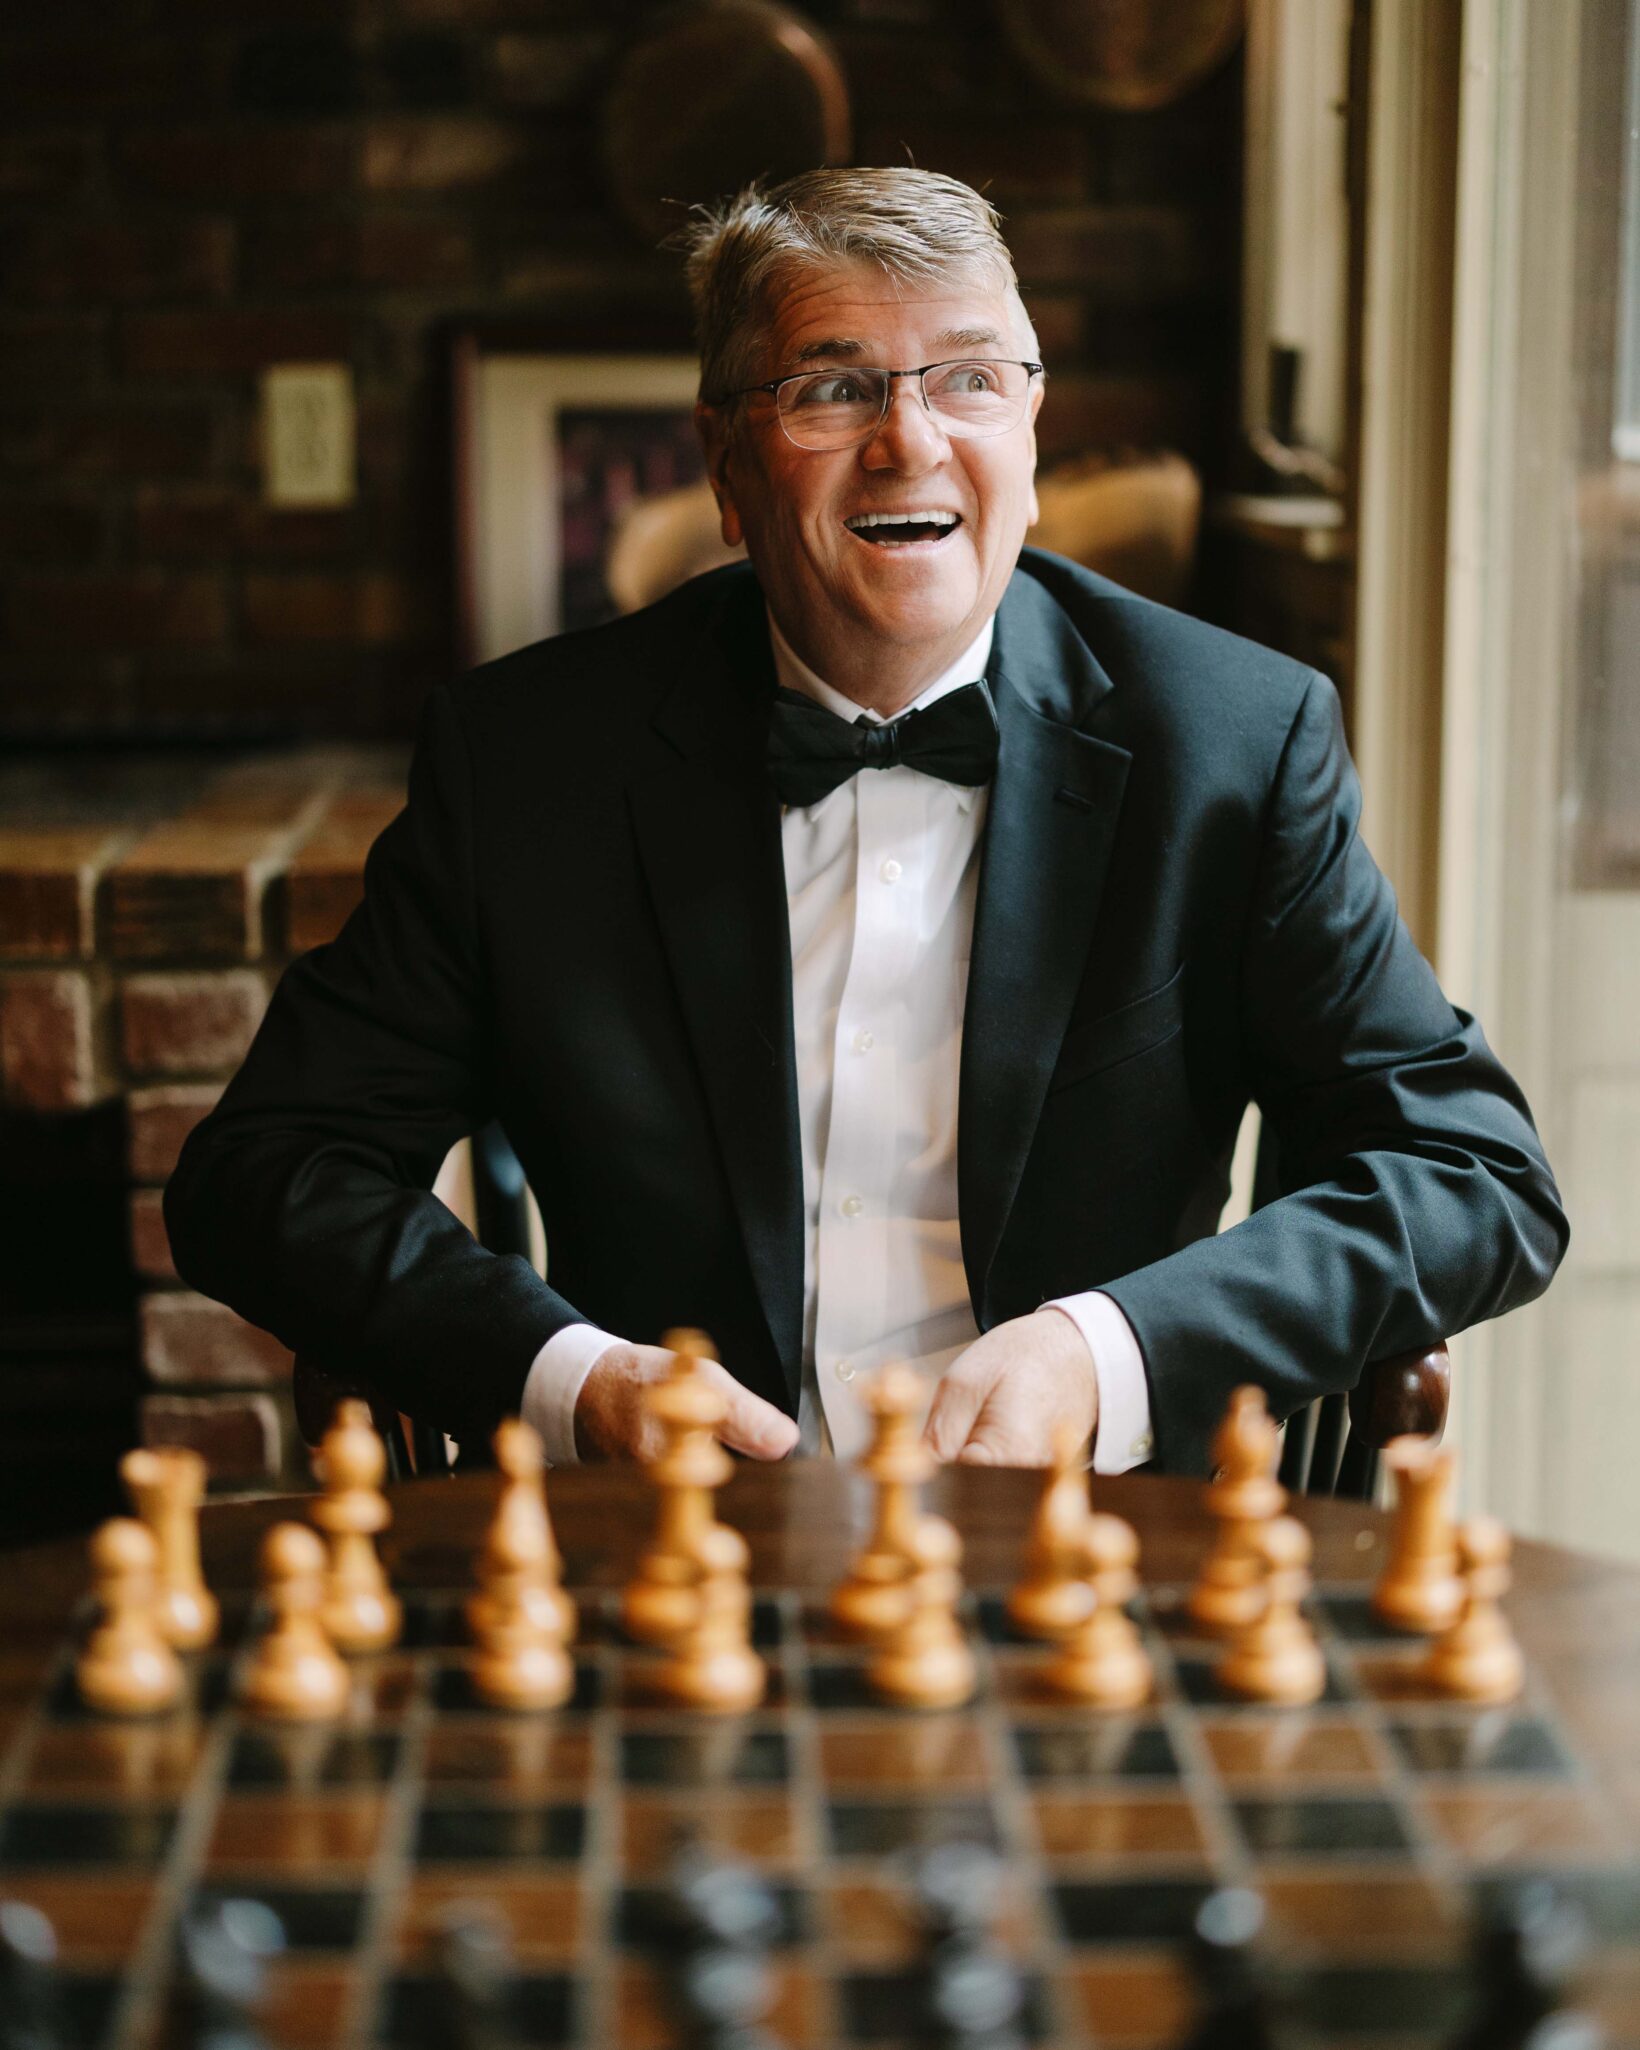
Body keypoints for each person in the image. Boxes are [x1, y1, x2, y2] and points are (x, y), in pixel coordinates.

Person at [164, 168, 1567, 1478]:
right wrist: (575, 1377)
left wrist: (1109, 1353)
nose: (911, 440)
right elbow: (262, 1172)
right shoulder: (532, 764)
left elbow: (1477, 1174)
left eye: (968, 379)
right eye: (834, 389)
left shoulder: (1233, 745)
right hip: (670, 1565)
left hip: (1088, 1560)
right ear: (724, 466)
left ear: (1030, 427)